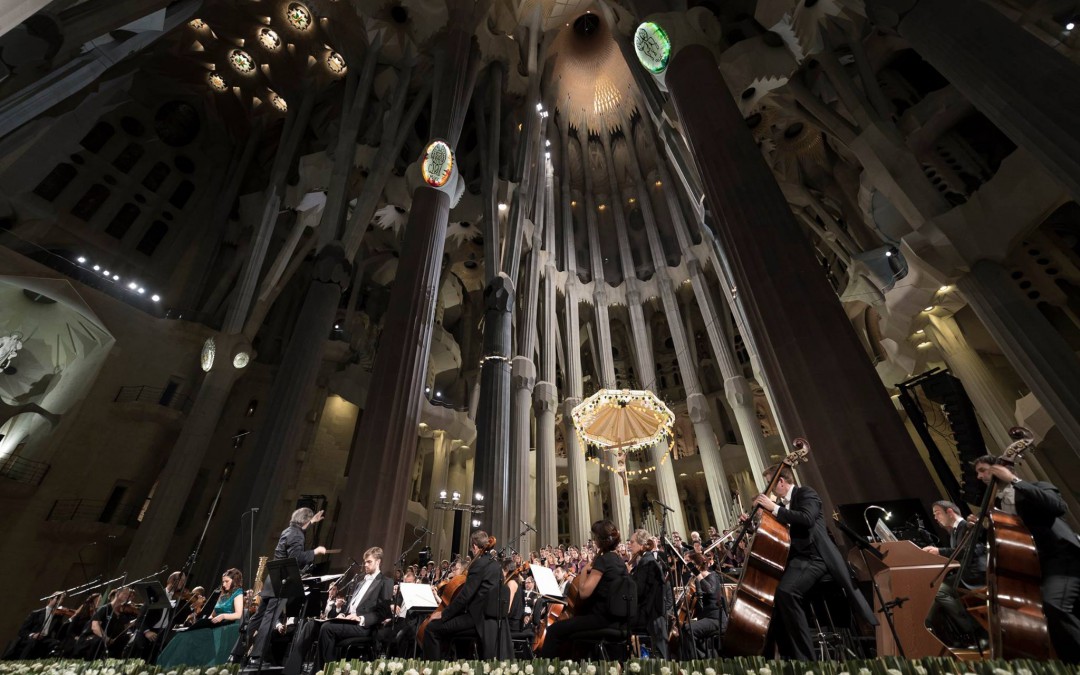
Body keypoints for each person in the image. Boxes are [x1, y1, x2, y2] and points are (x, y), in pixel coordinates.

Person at [752, 464, 876, 660]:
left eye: (770, 484)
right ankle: (785, 658)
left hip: (816, 557)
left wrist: (773, 507)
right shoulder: (786, 505)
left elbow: (807, 519)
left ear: (781, 482)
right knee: (771, 597)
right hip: (798, 560)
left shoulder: (805, 493)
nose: (770, 489)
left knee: (786, 591)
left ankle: (806, 660)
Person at [974, 455, 1080, 662]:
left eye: (983, 470)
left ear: (1001, 468)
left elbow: (1058, 507)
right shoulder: (997, 505)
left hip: (1062, 558)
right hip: (1035, 567)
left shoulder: (1037, 487)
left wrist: (1015, 481)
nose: (979, 476)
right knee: (1038, 618)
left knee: (1054, 605)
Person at [238, 507, 327, 667]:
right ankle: (256, 658)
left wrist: (311, 522)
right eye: (309, 520)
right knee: (270, 618)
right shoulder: (297, 534)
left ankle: (236, 653)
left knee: (259, 616)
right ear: (305, 521)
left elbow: (294, 546)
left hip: (273, 577)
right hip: (284, 579)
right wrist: (315, 551)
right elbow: (297, 558)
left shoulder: (289, 530)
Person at [285, 547, 392, 675]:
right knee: (310, 625)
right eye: (365, 562)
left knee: (327, 628)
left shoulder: (386, 582)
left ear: (378, 562)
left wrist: (361, 618)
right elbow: (351, 607)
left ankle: (322, 671)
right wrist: (343, 614)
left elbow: (383, 612)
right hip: (348, 621)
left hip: (364, 626)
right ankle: (291, 671)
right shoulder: (360, 582)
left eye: (369, 562)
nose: (365, 565)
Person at [538, 519, 634, 659]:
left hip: (601, 619)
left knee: (554, 630)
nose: (594, 541)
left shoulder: (603, 561)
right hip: (619, 621)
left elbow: (583, 593)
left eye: (595, 537)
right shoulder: (620, 562)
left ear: (601, 540)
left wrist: (584, 571)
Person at [422, 531, 501, 659]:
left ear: (475, 546)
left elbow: (465, 597)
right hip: (489, 620)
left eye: (471, 547)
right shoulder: (496, 565)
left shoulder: (478, 565)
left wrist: (443, 614)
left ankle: (433, 670)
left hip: (476, 620)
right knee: (449, 629)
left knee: (432, 628)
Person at [921, 500, 986, 647]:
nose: (935, 518)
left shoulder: (967, 527)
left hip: (976, 575)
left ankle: (975, 630)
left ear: (950, 512)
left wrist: (940, 551)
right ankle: (929, 628)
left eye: (937, 513)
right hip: (966, 574)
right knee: (933, 592)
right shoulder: (953, 534)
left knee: (938, 591)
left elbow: (972, 551)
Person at [157, 569, 244, 668]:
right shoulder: (223, 594)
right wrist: (203, 622)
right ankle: (175, 666)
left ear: (235, 580)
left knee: (193, 638)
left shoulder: (238, 592)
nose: (224, 584)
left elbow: (238, 614)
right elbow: (212, 615)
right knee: (185, 635)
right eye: (223, 581)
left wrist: (223, 616)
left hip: (227, 627)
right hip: (215, 625)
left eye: (227, 581)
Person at [126, 570, 188, 661]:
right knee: (138, 661)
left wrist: (192, 607)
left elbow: (178, 619)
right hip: (147, 634)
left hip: (160, 635)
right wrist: (146, 631)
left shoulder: (176, 598)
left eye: (184, 581)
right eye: (181, 580)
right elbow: (141, 617)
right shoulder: (156, 594)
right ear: (172, 580)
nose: (183, 583)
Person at [628, 528, 668, 659]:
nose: (629, 545)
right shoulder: (646, 561)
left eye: (632, 542)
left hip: (651, 619)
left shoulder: (647, 563)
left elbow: (638, 591)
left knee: (660, 662)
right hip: (651, 616)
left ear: (642, 544)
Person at [677, 552, 725, 659]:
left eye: (689, 563)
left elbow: (710, 590)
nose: (686, 566)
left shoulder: (712, 575)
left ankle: (697, 661)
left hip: (716, 619)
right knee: (684, 629)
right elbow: (698, 597)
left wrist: (697, 574)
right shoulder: (697, 579)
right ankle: (696, 659)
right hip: (706, 617)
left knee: (690, 630)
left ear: (696, 565)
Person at [75, 587, 137, 659]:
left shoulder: (121, 615)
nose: (128, 596)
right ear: (117, 594)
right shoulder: (105, 608)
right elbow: (95, 627)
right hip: (92, 643)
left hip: (107, 646)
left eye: (129, 595)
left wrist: (137, 620)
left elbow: (125, 627)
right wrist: (106, 638)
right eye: (125, 594)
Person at [3, 591, 65, 660]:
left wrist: (69, 617)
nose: (59, 601)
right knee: (33, 642)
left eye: (61, 599)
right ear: (50, 599)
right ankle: (22, 662)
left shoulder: (57, 616)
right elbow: (22, 630)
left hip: (46, 639)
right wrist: (33, 635)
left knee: (57, 644)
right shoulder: (36, 613)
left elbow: (59, 631)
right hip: (33, 638)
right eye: (57, 598)